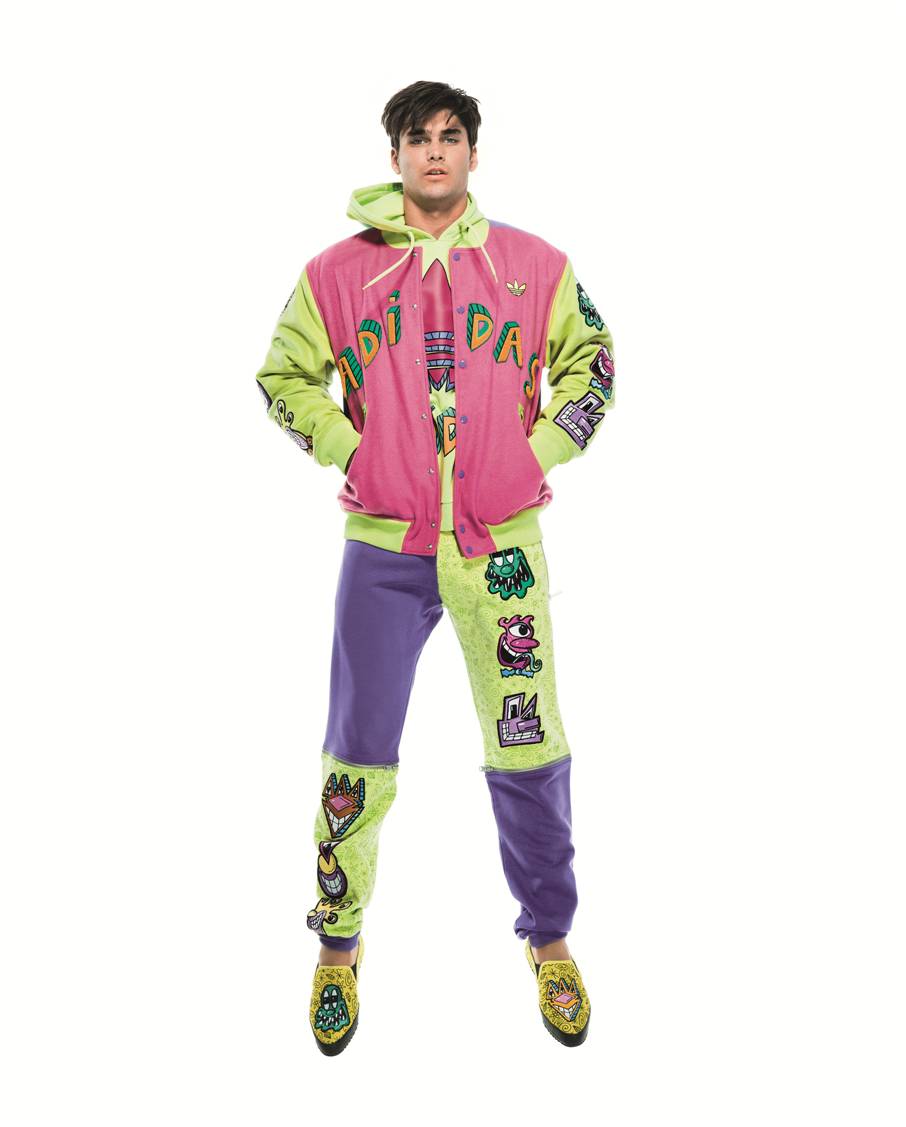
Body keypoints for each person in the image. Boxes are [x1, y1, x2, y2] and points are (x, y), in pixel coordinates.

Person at [254, 80, 615, 1054]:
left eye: (452, 136)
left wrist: (535, 455)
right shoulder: (338, 273)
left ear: (473, 153)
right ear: (395, 157)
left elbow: (594, 362)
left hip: (503, 554)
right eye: (417, 138)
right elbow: (283, 374)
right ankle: (338, 942)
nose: (435, 151)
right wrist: (351, 447)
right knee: (355, 753)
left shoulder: (534, 266)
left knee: (529, 746)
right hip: (383, 550)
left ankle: (549, 935)